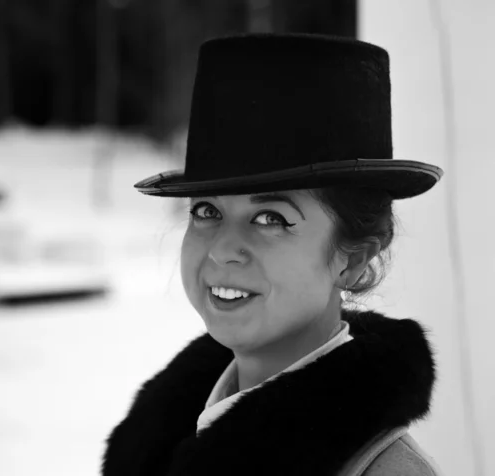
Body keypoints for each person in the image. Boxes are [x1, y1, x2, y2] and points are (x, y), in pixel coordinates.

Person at [102, 33, 444, 476]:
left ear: (353, 259)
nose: (223, 249)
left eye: (271, 219)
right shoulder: (167, 440)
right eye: (207, 211)